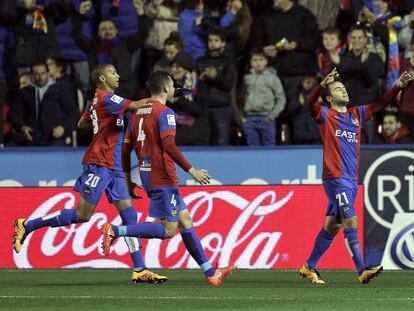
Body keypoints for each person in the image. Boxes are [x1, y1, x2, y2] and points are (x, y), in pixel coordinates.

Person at [13, 63, 167, 284]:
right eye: (113, 72)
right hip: (100, 163)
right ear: (102, 79)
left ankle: (140, 268)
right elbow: (138, 104)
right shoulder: (107, 99)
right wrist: (161, 97)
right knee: (83, 215)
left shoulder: (98, 101)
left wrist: (99, 123)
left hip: (114, 166)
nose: (118, 75)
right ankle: (27, 225)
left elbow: (81, 123)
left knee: (130, 216)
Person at [100, 71, 235, 286]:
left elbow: (125, 150)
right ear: (164, 88)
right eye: (172, 85)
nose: (174, 89)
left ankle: (211, 272)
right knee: (168, 230)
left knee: (185, 221)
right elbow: (169, 145)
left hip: (146, 174)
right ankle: (115, 231)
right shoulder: (165, 113)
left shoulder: (137, 114)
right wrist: (192, 170)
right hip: (163, 177)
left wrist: (127, 179)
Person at [299, 68, 413, 284]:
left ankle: (309, 266)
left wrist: (398, 86)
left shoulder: (356, 114)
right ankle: (362, 270)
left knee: (332, 226)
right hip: (335, 178)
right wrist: (322, 85)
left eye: (343, 87)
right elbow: (309, 104)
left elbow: (379, 104)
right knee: (350, 219)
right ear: (330, 98)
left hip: (351, 180)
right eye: (338, 89)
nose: (343, 90)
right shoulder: (325, 115)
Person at [7, 62, 79, 146]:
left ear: (48, 73)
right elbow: (12, 114)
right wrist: (22, 127)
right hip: (32, 139)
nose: (40, 77)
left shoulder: (60, 90)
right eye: (37, 74)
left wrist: (63, 127)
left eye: (43, 73)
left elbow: (74, 112)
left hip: (55, 140)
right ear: (32, 75)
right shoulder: (24, 92)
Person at [242, 51, 286, 146]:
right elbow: (243, 97)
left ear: (266, 62)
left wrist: (272, 116)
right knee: (253, 149)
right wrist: (242, 117)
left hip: (266, 118)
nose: (258, 63)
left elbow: (281, 99)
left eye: (261, 60)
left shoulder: (273, 78)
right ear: (251, 62)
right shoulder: (247, 78)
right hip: (250, 118)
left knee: (269, 149)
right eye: (255, 60)